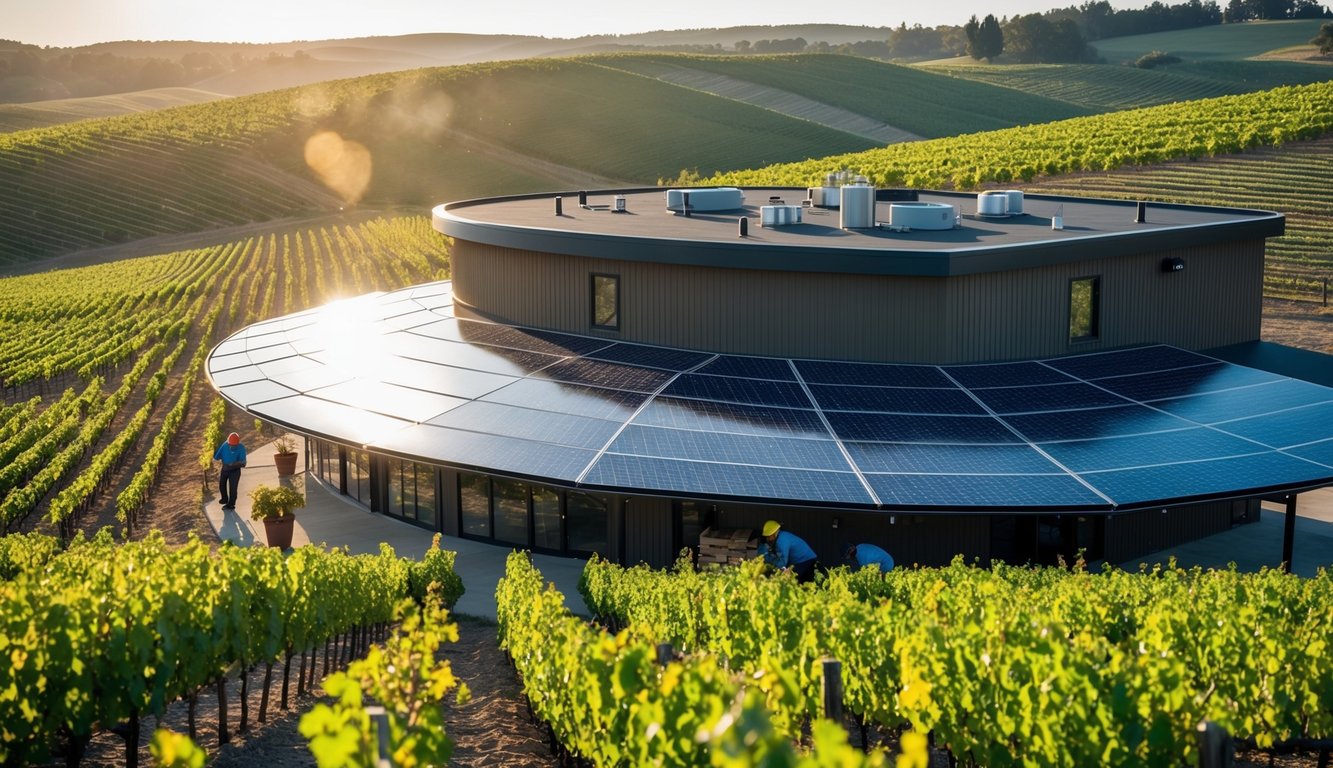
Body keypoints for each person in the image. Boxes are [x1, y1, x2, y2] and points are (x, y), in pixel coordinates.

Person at [214, 432, 247, 511]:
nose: (232, 446)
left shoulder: (241, 447)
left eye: (234, 445)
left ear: (238, 443)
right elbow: (217, 457)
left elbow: (244, 463)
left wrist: (233, 464)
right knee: (222, 485)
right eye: (230, 445)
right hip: (225, 469)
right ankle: (224, 499)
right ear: (228, 443)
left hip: (235, 471)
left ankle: (231, 504)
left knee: (233, 488)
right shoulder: (225, 445)